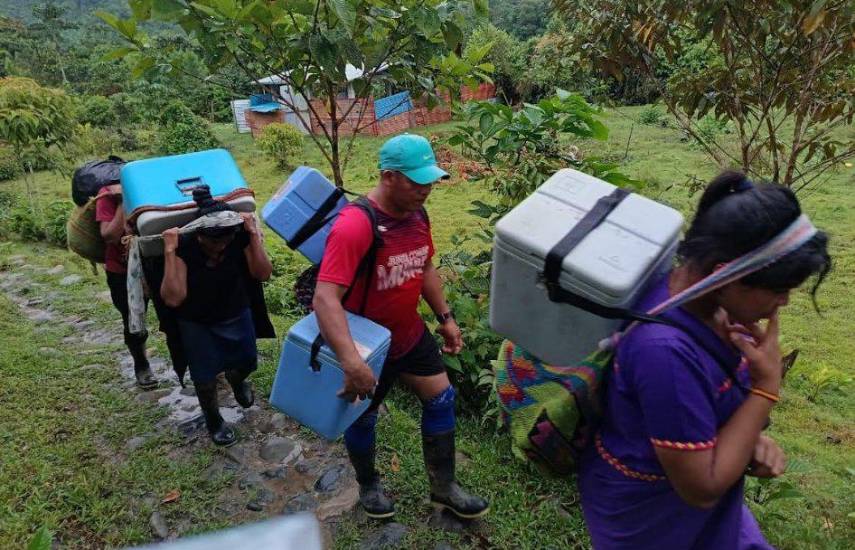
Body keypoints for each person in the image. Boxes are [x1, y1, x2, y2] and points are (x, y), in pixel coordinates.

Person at [577, 171, 831, 549]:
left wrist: (748, 440)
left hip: (704, 516)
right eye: (778, 290)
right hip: (655, 524)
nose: (784, 302)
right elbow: (702, 488)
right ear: (725, 275)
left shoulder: (705, 302)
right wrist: (765, 390)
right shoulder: (665, 353)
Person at [313, 134, 489, 520]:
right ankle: (369, 486)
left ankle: (444, 487)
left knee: (441, 398)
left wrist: (446, 319)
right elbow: (325, 298)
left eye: (429, 181)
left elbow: (424, 267)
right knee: (363, 414)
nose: (425, 189)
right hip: (366, 344)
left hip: (408, 333)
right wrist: (351, 361)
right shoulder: (356, 225)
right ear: (388, 176)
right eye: (415, 181)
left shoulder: (418, 216)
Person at [160, 187, 274, 447]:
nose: (219, 246)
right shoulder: (184, 247)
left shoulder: (239, 239)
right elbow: (174, 298)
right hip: (196, 321)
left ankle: (237, 381)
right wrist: (169, 251)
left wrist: (253, 233)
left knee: (246, 362)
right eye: (213, 242)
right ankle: (214, 420)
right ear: (199, 235)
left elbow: (263, 273)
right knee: (204, 377)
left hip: (235, 311)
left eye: (225, 240)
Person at [96, 184, 158, 389]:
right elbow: (110, 235)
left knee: (178, 315)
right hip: (123, 271)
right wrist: (122, 202)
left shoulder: (147, 186)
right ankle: (141, 365)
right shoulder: (107, 196)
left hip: (157, 263)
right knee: (133, 320)